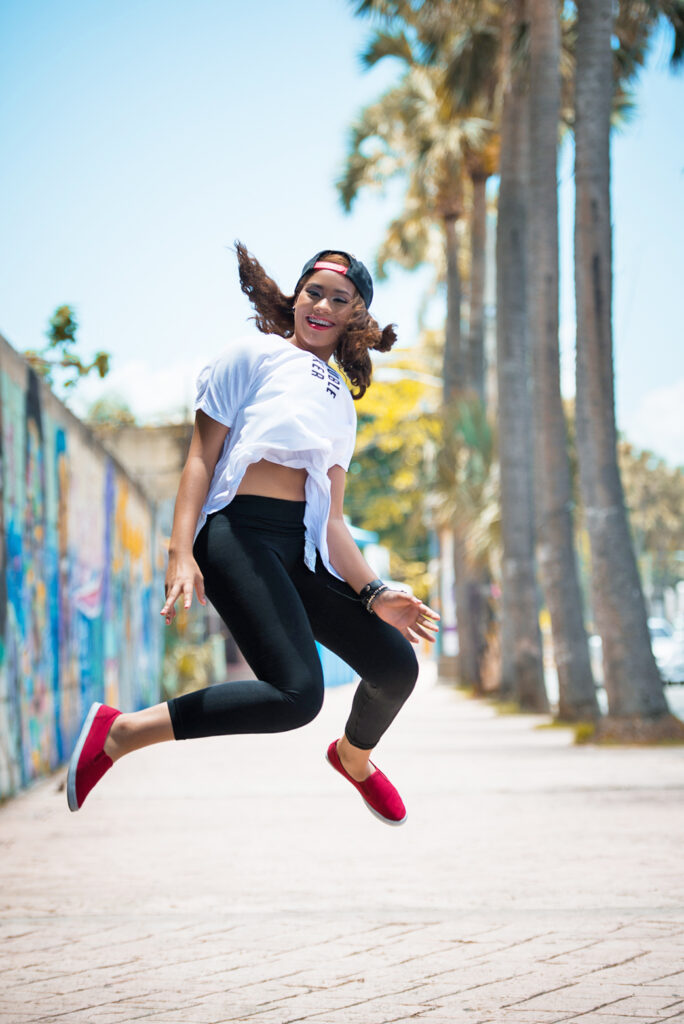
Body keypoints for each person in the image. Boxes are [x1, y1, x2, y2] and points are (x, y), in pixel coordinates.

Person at [67, 243, 439, 825]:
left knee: (396, 667)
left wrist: (375, 591)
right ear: (295, 297)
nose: (321, 305)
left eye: (339, 299)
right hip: (236, 535)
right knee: (297, 696)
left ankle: (353, 758)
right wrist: (180, 551)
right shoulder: (251, 355)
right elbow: (199, 459)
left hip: (299, 551)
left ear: (354, 318)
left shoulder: (341, 400)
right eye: (313, 291)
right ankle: (120, 732)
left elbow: (333, 520)